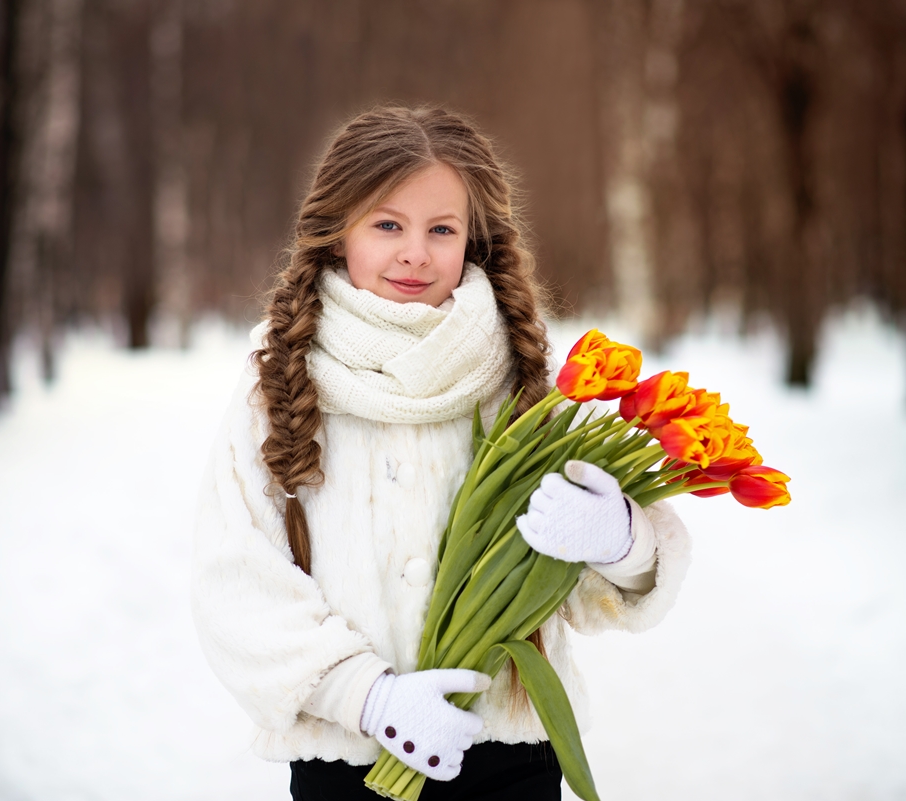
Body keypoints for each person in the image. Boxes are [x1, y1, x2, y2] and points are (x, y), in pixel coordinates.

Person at [191, 105, 691, 801]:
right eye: (387, 224)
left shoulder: (519, 375)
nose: (415, 253)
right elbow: (233, 580)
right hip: (351, 760)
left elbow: (580, 590)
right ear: (339, 232)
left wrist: (623, 541)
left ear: (473, 239)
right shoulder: (276, 382)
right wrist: (369, 697)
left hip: (509, 761)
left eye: (441, 229)